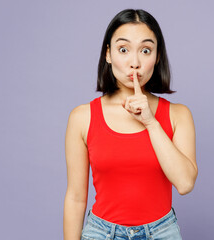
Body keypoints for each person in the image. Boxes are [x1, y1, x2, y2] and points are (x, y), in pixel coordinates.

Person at [63, 9, 198, 240]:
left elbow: (185, 183)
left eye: (145, 50)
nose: (134, 63)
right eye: (123, 49)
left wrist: (150, 121)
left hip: (162, 233)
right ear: (108, 54)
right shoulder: (82, 117)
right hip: (101, 234)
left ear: (156, 57)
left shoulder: (178, 115)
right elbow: (76, 197)